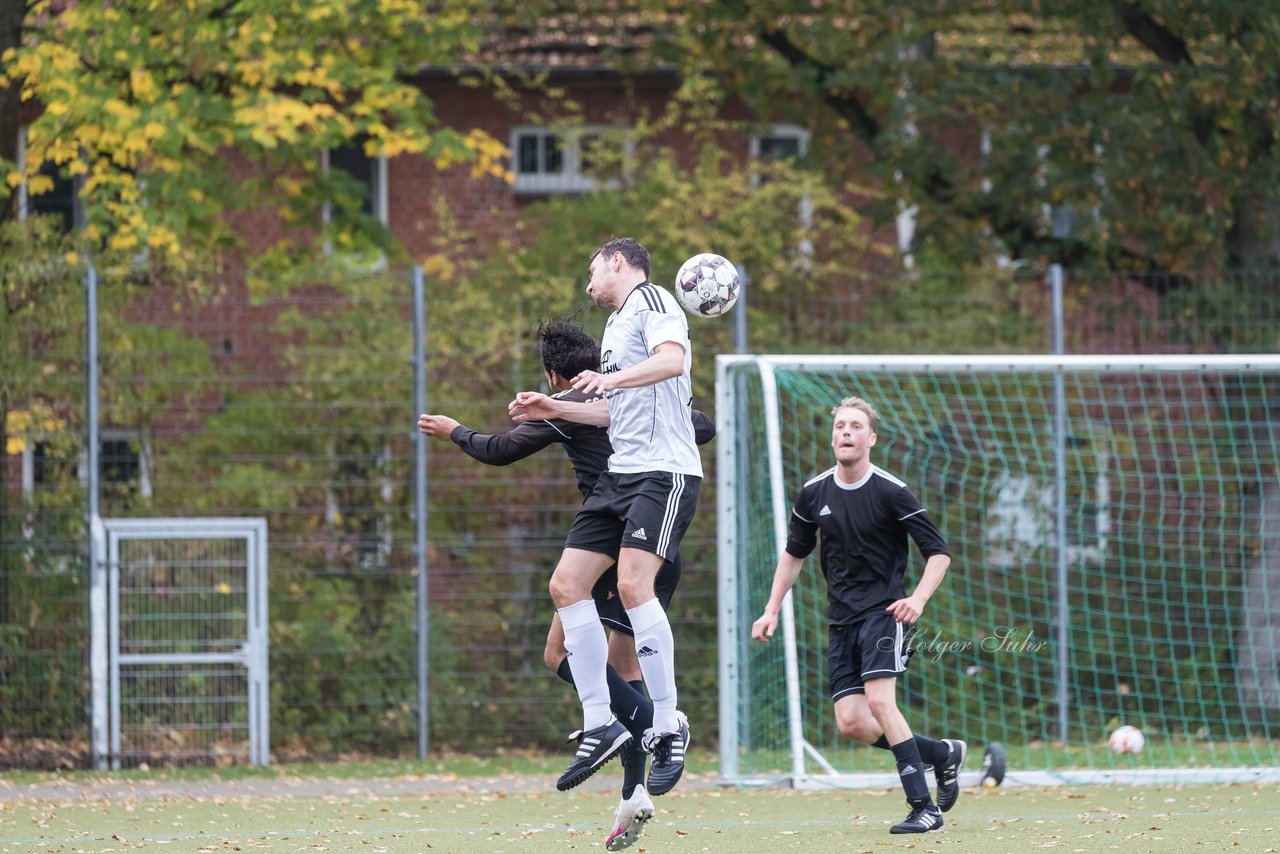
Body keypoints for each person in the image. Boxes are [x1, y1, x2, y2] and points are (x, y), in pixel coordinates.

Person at [418, 319, 713, 851]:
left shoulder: (570, 405)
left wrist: (454, 430)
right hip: (656, 541)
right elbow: (705, 425)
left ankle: (663, 728)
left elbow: (499, 449)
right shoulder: (633, 391)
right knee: (622, 671)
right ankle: (634, 792)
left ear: (554, 374)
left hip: (614, 543)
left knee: (561, 655)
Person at [508, 237, 703, 797]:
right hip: (622, 474)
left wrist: (609, 379)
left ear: (618, 262)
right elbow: (611, 409)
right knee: (566, 585)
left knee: (632, 586)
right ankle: (602, 724)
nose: (587, 279)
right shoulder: (617, 326)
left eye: (591, 266)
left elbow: (673, 362)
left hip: (663, 473)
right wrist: (556, 406)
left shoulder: (654, 301)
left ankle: (667, 725)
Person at [750, 397, 965, 834]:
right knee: (852, 723)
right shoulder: (814, 493)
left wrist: (918, 600)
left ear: (871, 438)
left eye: (855, 426)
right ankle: (942, 756)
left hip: (884, 614)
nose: (845, 432)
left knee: (882, 703)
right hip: (842, 619)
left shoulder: (892, 491)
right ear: (834, 437)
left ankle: (924, 807)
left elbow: (938, 554)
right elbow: (795, 554)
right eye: (840, 426)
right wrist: (772, 608)